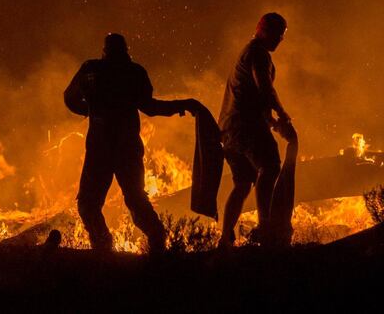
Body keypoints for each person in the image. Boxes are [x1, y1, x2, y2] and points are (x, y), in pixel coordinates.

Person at [64, 33, 200, 253]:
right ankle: (157, 242)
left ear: (104, 51)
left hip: (101, 147)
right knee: (135, 199)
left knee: (89, 204)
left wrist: (90, 110)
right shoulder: (135, 72)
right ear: (126, 50)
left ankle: (103, 246)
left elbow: (69, 98)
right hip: (127, 148)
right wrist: (182, 105)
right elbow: (150, 107)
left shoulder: (92, 69)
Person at [218, 13, 297, 248]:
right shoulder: (258, 53)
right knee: (270, 166)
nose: (279, 40)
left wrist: (271, 122)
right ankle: (267, 228)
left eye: (281, 36)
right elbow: (265, 88)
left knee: (242, 183)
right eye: (276, 34)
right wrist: (283, 115)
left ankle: (224, 238)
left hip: (230, 129)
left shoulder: (249, 52)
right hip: (246, 126)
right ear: (262, 30)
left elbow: (252, 95)